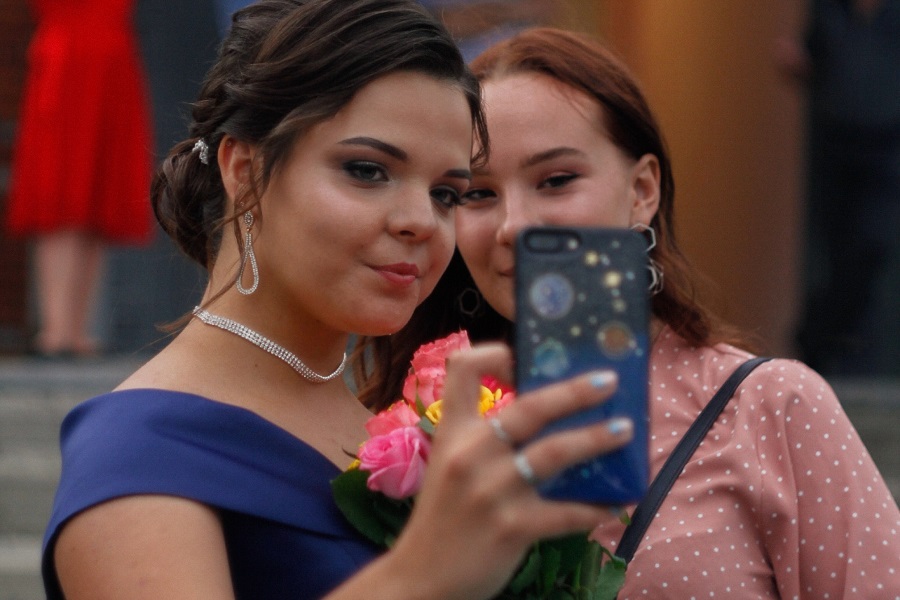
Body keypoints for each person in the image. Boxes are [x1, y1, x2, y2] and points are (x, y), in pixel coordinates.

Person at [41, 3, 634, 599]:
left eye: (447, 194)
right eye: (367, 170)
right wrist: (423, 572)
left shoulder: (390, 422)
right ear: (244, 170)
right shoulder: (140, 450)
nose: (419, 222)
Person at [353, 27, 900, 598]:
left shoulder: (769, 407)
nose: (514, 226)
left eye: (557, 180)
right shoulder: (418, 423)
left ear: (642, 190)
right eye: (478, 193)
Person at [6, 0, 154, 358]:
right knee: (62, 188)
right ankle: (56, 328)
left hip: (112, 62)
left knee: (98, 194)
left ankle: (75, 328)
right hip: (67, 64)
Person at [775, 0, 900, 376]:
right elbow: (813, 57)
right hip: (834, 146)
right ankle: (825, 340)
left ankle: (841, 343)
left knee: (872, 244)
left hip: (888, 147)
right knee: (836, 252)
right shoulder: (829, 9)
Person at [418, 0, 559, 62]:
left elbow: (542, 8)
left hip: (522, 61)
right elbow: (447, 21)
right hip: (458, 69)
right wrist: (513, 13)